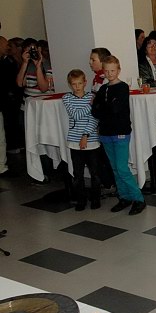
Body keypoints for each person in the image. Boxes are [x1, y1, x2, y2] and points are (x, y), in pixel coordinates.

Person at [90, 56, 146, 215]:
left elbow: (114, 108)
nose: (109, 73)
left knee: (122, 168)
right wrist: (102, 106)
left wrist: (101, 106)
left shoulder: (122, 88)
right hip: (105, 133)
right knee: (114, 168)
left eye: (112, 70)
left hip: (120, 132)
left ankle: (138, 198)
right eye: (107, 71)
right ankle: (124, 196)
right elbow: (95, 111)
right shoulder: (103, 89)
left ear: (118, 70)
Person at [63, 69, 101, 211]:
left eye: (79, 83)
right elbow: (76, 115)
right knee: (78, 174)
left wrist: (85, 135)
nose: (77, 87)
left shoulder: (92, 97)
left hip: (92, 141)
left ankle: (96, 198)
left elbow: (94, 119)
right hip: (74, 142)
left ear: (85, 83)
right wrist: (90, 105)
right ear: (70, 84)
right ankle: (81, 200)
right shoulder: (67, 98)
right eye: (74, 84)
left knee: (95, 173)